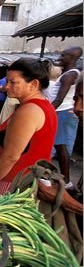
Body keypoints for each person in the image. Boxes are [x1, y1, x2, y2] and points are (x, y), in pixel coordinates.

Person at [0, 58, 57, 196]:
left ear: (33, 84)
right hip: (28, 180)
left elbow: (11, 156)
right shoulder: (44, 105)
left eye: (13, 82)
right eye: (7, 81)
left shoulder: (29, 111)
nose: (6, 87)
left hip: (15, 183)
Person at [47, 46, 82, 190]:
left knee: (61, 147)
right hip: (60, 112)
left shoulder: (70, 75)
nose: (60, 58)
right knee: (59, 146)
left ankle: (66, 180)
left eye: (63, 55)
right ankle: (64, 179)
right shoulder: (68, 74)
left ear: (72, 58)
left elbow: (59, 98)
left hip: (61, 112)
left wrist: (46, 112)